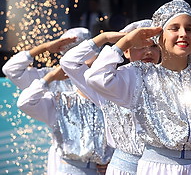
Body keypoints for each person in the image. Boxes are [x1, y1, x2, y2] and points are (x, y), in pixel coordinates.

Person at [84, 0, 191, 175]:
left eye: (189, 29)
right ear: (159, 38)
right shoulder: (141, 76)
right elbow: (96, 77)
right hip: (157, 168)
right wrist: (126, 41)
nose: (183, 33)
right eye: (174, 28)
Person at [5, 28, 114, 174]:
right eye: (71, 51)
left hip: (100, 164)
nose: (79, 59)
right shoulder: (54, 76)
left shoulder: (103, 80)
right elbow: (11, 70)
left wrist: (113, 158)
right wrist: (44, 48)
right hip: (67, 160)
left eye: (83, 51)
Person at [60, 19, 161, 175]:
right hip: (124, 168)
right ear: (126, 51)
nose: (148, 52)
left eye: (154, 46)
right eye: (140, 46)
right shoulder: (109, 82)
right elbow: (69, 63)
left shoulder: (171, 79)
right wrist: (105, 38)